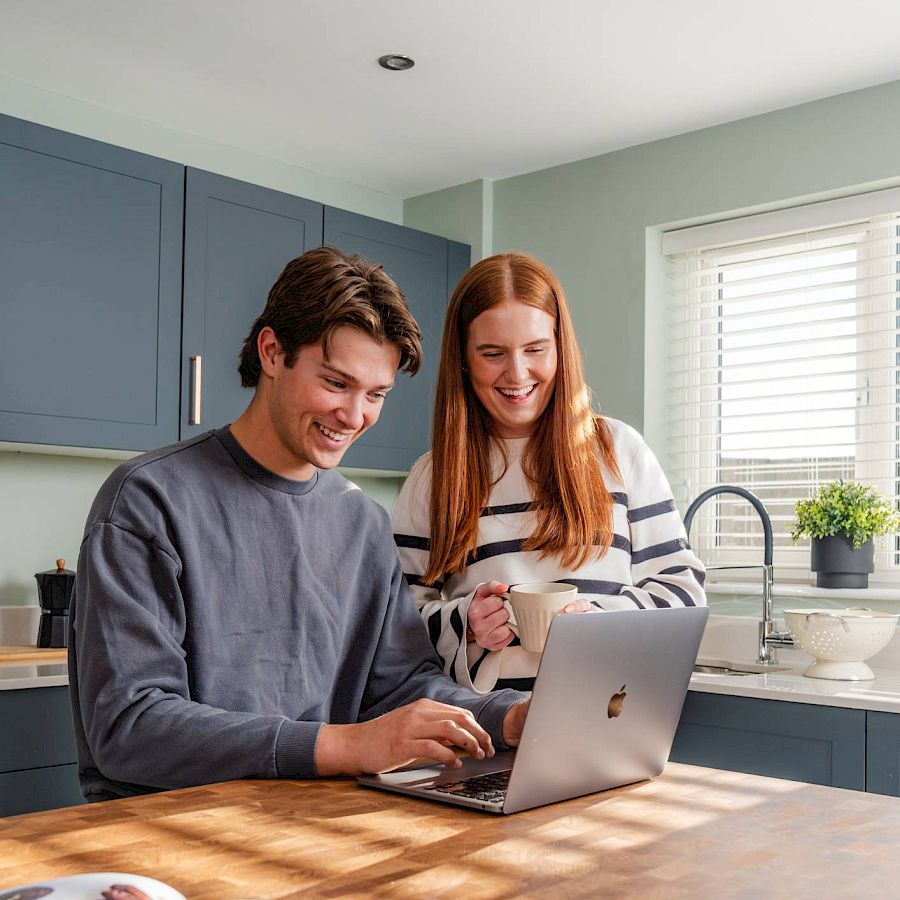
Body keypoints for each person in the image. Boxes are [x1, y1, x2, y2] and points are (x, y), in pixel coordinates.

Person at [69, 246, 528, 802]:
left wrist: (508, 718)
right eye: (336, 383)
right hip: (166, 837)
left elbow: (402, 688)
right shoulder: (147, 501)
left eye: (376, 394)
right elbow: (130, 726)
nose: (355, 416)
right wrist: (346, 746)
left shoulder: (361, 523)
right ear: (271, 351)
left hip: (308, 828)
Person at [392, 252, 706, 694]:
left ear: (560, 348)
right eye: (492, 353)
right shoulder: (432, 479)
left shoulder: (619, 452)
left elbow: (684, 592)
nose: (517, 373)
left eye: (535, 349)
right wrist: (465, 624)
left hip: (610, 714)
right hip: (489, 733)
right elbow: (397, 626)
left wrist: (603, 621)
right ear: (463, 359)